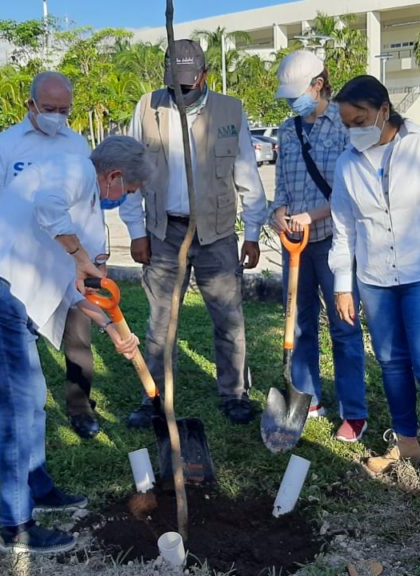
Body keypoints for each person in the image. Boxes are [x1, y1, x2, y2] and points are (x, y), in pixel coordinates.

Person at [0, 136, 149, 555]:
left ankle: (38, 486)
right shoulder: (73, 169)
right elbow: (48, 209)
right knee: (19, 411)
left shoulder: (89, 205)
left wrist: (118, 334)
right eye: (128, 191)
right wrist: (80, 256)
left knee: (33, 400)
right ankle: (16, 527)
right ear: (113, 176)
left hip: (10, 302)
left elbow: (79, 292)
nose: (124, 198)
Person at [329, 76, 420, 514]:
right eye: (346, 123)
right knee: (391, 363)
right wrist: (343, 284)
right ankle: (407, 443)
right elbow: (344, 229)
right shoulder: (347, 164)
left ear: (384, 109)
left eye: (359, 120)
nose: (353, 130)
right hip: (375, 278)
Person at [120, 39, 268, 427]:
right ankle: (153, 398)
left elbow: (247, 174)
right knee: (160, 323)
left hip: (216, 233)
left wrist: (252, 231)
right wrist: (137, 230)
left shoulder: (229, 111)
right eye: (175, 85)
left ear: (204, 75)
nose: (182, 92)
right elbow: (129, 171)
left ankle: (235, 393)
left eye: (189, 84)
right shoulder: (147, 107)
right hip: (165, 232)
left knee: (228, 319)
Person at [0, 71, 103, 440]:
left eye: (64, 109)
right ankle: (25, 410)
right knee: (21, 338)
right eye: (49, 108)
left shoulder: (78, 144)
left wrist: (97, 254)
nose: (57, 116)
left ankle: (80, 407)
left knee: (79, 339)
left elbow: (91, 207)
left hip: (70, 261)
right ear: (30, 104)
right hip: (22, 262)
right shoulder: (6, 145)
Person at [269, 50, 369, 442]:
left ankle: (354, 412)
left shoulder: (343, 127)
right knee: (299, 323)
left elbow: (352, 191)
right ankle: (307, 397)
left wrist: (313, 215)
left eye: (298, 94)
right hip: (295, 244)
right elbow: (280, 184)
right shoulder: (286, 129)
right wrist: (279, 212)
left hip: (335, 242)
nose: (295, 103)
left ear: (318, 85)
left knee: (344, 328)